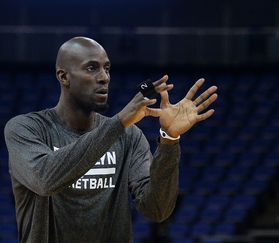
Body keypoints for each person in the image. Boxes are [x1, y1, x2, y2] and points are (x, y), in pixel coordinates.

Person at [4, 36, 218, 243]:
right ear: (63, 76)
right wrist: (119, 122)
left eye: (107, 69)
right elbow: (45, 180)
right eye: (91, 68)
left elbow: (157, 209)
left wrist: (170, 139)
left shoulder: (129, 136)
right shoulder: (25, 129)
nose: (104, 77)